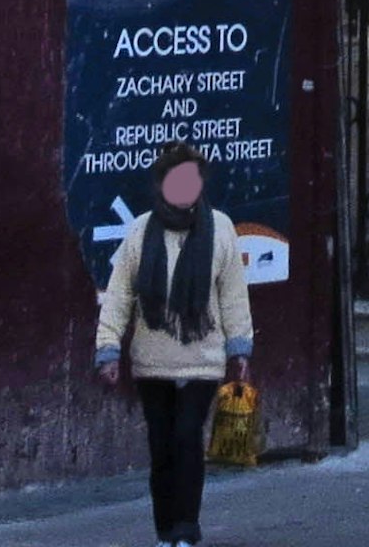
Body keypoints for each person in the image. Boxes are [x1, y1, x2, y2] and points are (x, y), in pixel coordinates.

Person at [94, 149, 256, 547]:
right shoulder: (140, 231)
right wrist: (108, 348)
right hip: (152, 361)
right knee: (161, 445)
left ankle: (186, 529)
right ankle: (165, 531)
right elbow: (119, 295)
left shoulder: (221, 229)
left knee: (187, 437)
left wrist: (240, 349)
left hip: (203, 360)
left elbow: (233, 294)